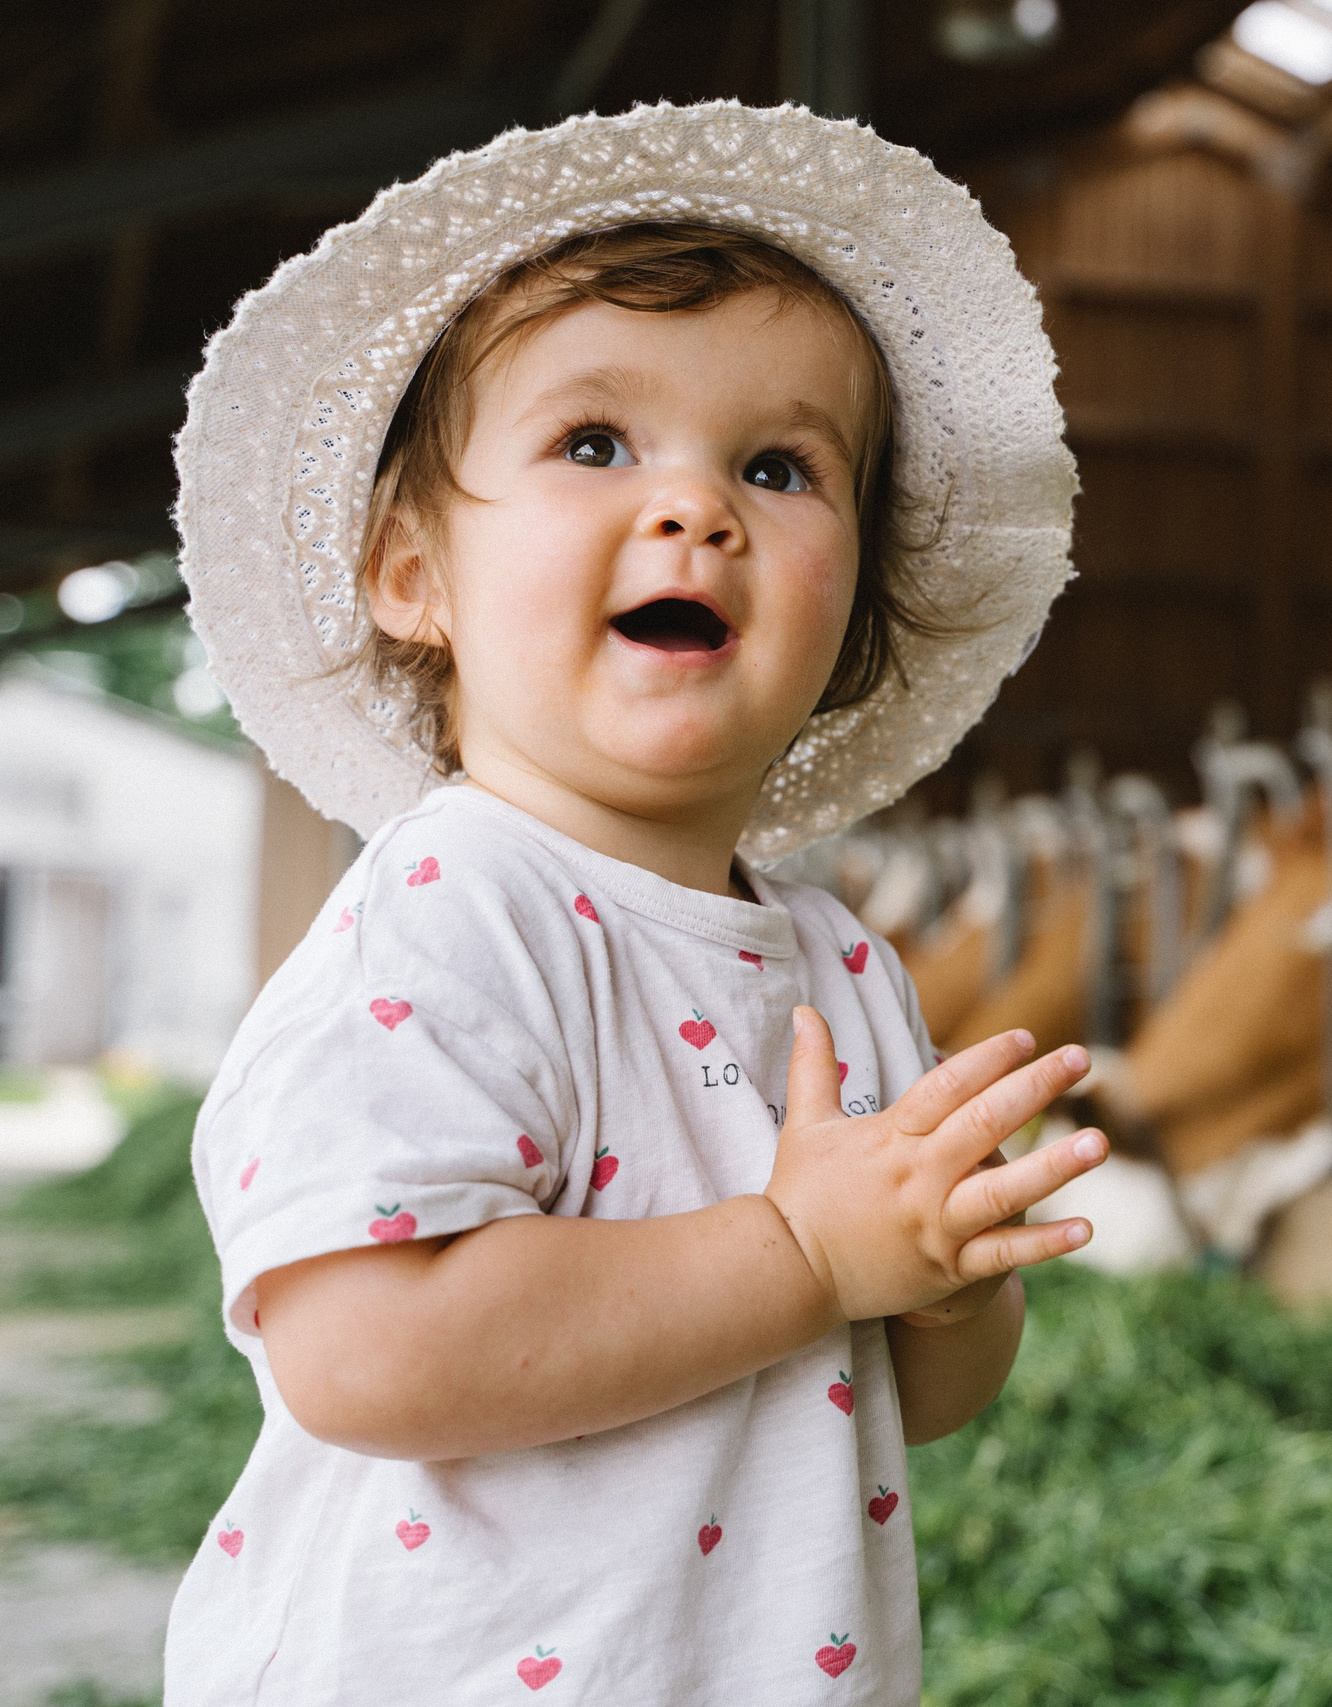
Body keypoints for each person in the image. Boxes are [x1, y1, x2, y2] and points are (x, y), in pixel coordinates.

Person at [163, 103, 1089, 1703]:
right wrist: (803, 1247)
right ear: (411, 574)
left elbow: (915, 1394)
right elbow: (367, 1351)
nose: (696, 508)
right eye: (595, 444)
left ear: (854, 617)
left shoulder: (840, 962)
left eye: (780, 467)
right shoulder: (454, 918)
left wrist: (937, 1276)